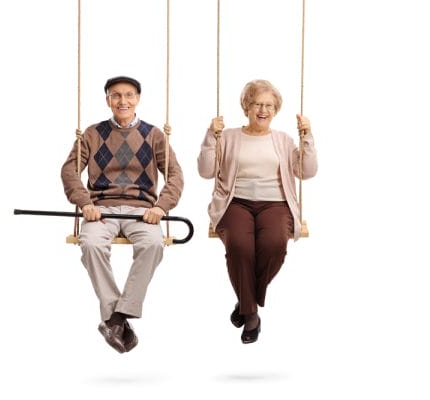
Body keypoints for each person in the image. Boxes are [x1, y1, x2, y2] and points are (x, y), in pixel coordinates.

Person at [61, 76, 184, 353]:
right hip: (100, 209)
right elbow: (69, 171)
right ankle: (116, 318)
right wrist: (85, 203)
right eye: (116, 96)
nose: (123, 101)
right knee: (91, 244)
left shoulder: (154, 135)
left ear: (138, 99)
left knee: (153, 244)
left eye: (129, 95)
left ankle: (115, 319)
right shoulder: (92, 134)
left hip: (142, 211)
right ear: (108, 100)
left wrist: (160, 208)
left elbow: (175, 175)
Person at [197, 79, 318, 344]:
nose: (263, 110)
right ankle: (250, 314)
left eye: (269, 105)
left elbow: (306, 172)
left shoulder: (284, 140)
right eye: (256, 104)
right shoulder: (228, 136)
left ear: (275, 110)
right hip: (235, 202)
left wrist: (307, 137)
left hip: (275, 203)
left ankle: (245, 300)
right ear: (246, 107)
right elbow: (206, 172)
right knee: (240, 246)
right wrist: (210, 135)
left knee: (274, 244)